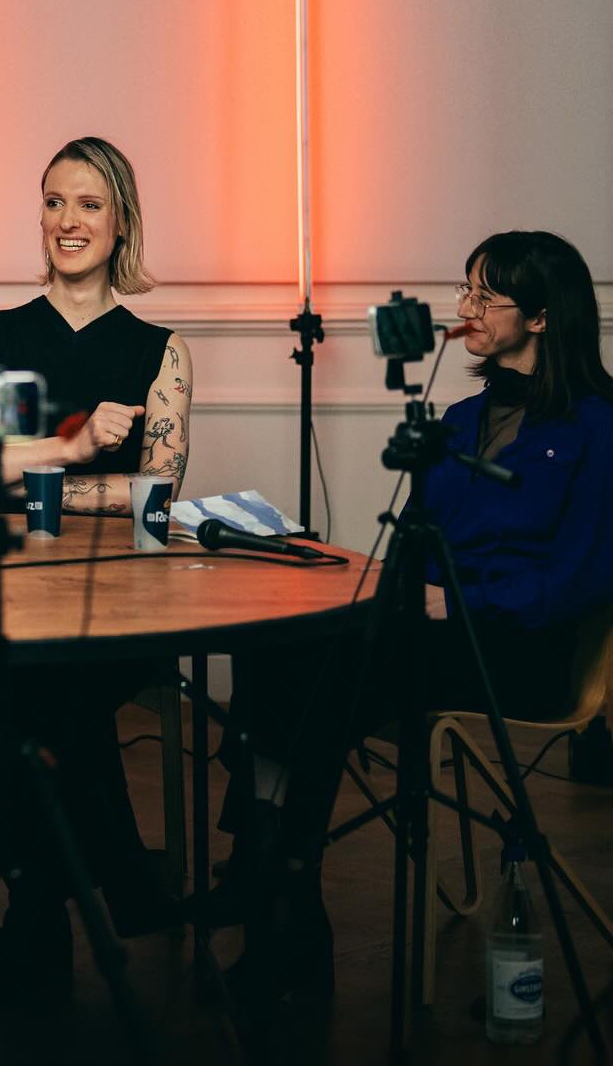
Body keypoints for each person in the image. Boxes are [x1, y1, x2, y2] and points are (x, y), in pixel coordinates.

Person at [224, 229, 613, 1004]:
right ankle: (272, 872)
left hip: (525, 649)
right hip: (430, 629)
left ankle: (283, 898)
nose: (462, 307)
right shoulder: (461, 420)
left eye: (482, 295)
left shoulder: (597, 427)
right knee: (275, 642)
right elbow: (417, 549)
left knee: (328, 674)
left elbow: (579, 580)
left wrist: (454, 603)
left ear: (539, 317)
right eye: (463, 289)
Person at [0, 135, 192, 993]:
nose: (67, 222)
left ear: (121, 223)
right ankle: (115, 870)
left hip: (120, 602)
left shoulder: (160, 350)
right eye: (54, 201)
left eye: (89, 204)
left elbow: (157, 495)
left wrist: (17, 478)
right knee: (38, 668)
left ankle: (34, 912)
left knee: (39, 680)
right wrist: (71, 450)